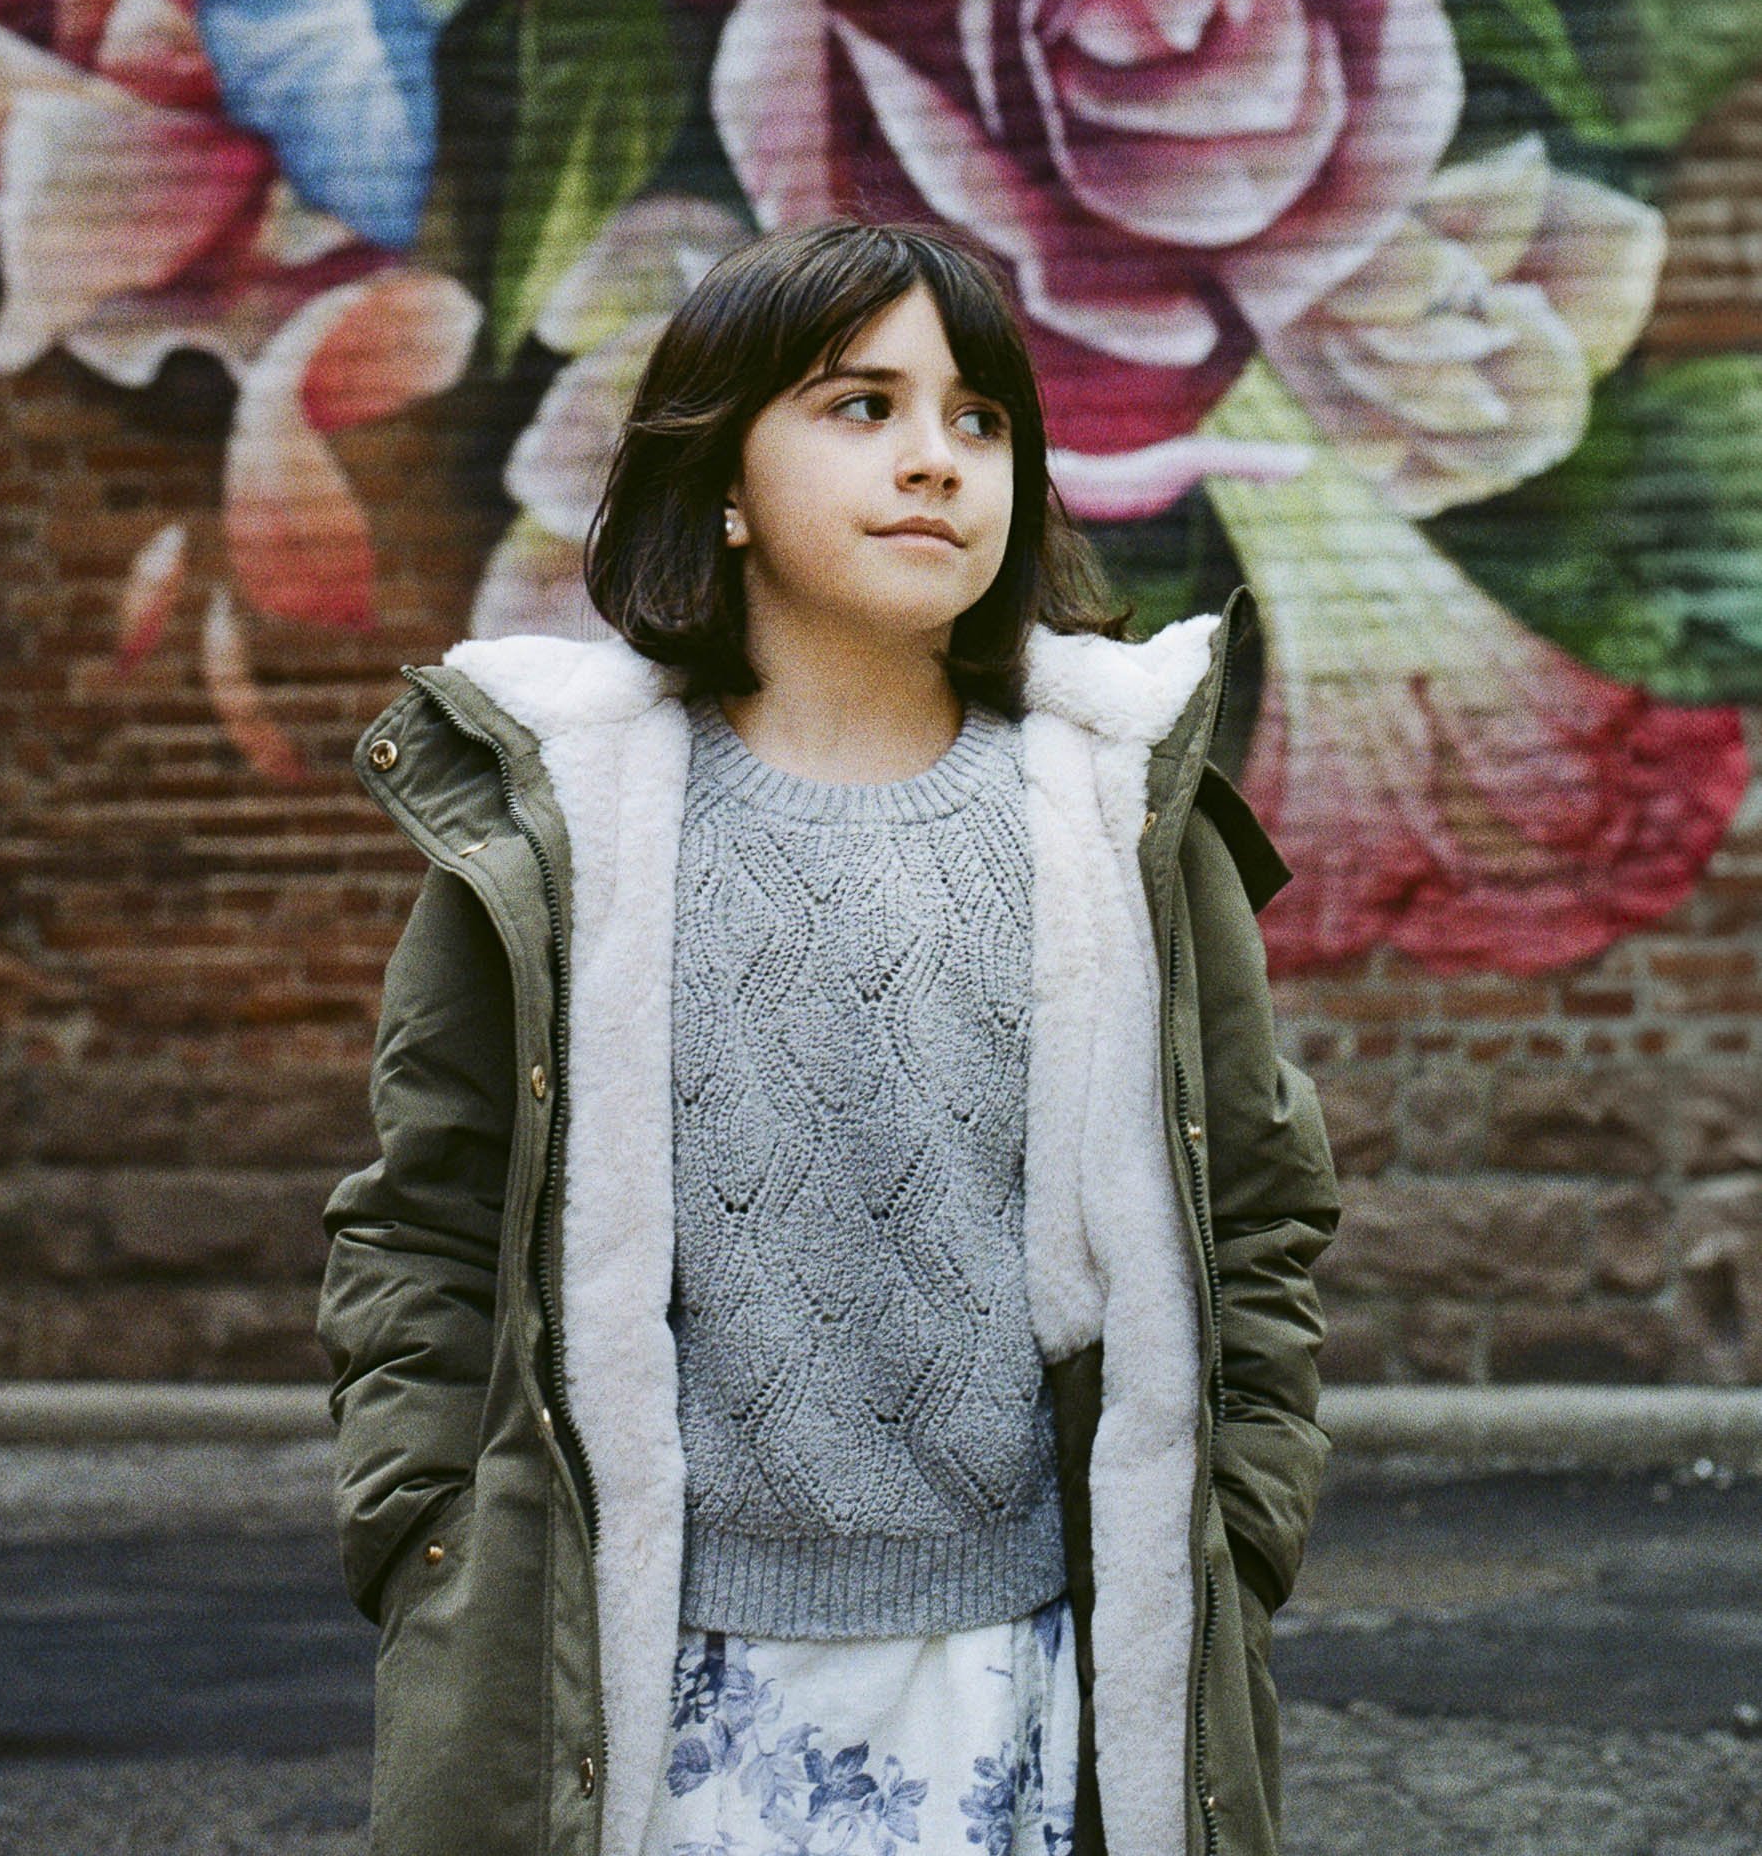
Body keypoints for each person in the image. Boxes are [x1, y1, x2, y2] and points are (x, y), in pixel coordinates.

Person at [319, 217, 1341, 1856]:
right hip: (649, 1679)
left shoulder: (1115, 821)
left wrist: (1236, 1528)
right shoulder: (564, 835)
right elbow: (423, 1223)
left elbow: (1264, 1215)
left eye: (977, 419)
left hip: (1023, 1669)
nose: (934, 460)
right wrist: (429, 1533)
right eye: (860, 407)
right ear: (722, 479)